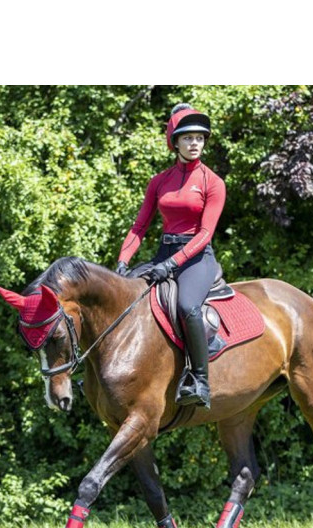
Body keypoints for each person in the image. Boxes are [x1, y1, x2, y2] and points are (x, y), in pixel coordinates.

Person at [116, 103, 226, 409]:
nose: (195, 143)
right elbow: (139, 227)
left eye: (200, 138)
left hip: (196, 258)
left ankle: (200, 381)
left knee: (187, 306)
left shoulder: (212, 182)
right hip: (163, 252)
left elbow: (205, 233)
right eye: (188, 138)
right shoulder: (159, 182)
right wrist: (123, 261)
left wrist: (172, 264)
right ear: (174, 142)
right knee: (123, 297)